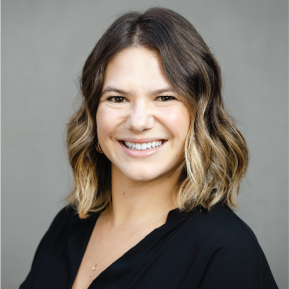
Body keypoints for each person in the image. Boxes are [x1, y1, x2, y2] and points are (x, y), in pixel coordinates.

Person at [20, 7, 278, 289]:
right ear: (93, 116)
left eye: (165, 97)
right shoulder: (68, 225)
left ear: (199, 116)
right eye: (117, 98)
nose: (138, 122)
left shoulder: (226, 251)